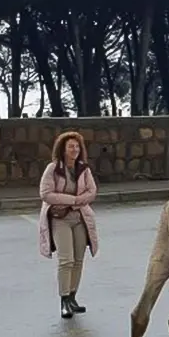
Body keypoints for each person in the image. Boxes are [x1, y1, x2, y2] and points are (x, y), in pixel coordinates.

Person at [37, 131, 100, 319]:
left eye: (77, 146)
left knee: (79, 260)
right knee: (66, 260)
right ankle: (64, 300)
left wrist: (77, 202)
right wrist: (74, 199)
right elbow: (45, 193)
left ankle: (73, 297)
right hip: (60, 219)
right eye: (71, 146)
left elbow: (92, 191)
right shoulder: (53, 168)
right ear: (63, 149)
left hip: (80, 218)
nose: (74, 149)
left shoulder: (84, 169)